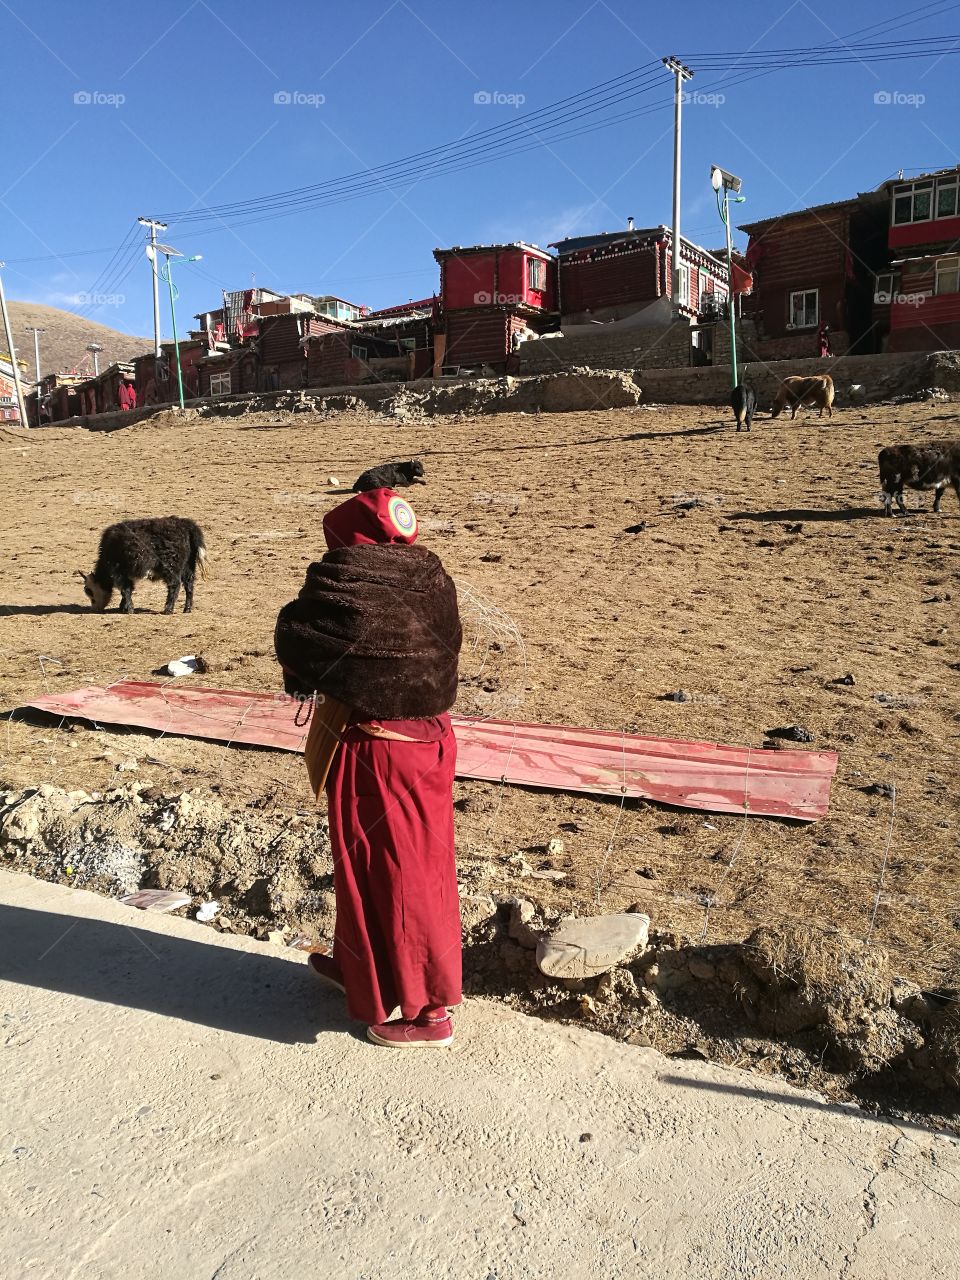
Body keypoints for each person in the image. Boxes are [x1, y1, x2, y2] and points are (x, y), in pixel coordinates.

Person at [275, 488, 463, 1048]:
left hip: (379, 749)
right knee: (389, 866)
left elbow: (299, 638)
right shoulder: (430, 574)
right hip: (428, 738)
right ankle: (362, 971)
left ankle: (429, 1012)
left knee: (398, 875)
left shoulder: (345, 580)